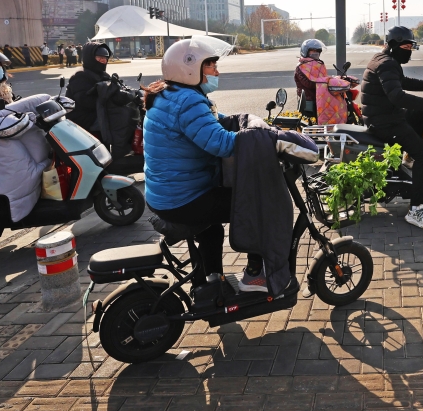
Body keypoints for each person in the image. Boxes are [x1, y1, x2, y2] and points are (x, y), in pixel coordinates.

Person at [144, 36, 266, 293]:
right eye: (211, 66)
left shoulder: (170, 94)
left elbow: (209, 121)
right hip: (182, 199)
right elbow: (221, 143)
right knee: (255, 204)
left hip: (164, 196)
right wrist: (260, 140)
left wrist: (236, 122)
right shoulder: (187, 101)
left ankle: (208, 286)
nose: (217, 72)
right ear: (191, 68)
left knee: (212, 231)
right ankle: (255, 275)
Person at [360, 26, 423, 230]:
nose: (409, 50)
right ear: (393, 45)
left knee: (417, 112)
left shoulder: (385, 60)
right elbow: (397, 96)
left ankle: (408, 157)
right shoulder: (388, 64)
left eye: (411, 47)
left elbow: (401, 82)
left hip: (384, 116)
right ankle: (416, 210)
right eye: (406, 46)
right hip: (385, 122)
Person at [293, 38, 354, 124]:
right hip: (309, 99)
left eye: (317, 51)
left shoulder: (319, 64)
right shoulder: (301, 67)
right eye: (312, 51)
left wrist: (334, 79)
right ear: (305, 51)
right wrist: (329, 81)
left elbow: (323, 78)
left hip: (322, 96)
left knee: (340, 102)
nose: (316, 53)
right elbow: (309, 83)